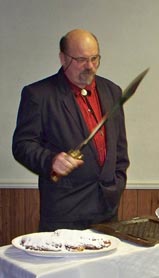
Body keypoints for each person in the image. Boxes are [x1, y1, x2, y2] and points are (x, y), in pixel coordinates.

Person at [12, 29, 130, 231]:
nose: (90, 66)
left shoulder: (112, 91)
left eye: (95, 58)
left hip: (107, 207)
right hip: (64, 211)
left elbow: (119, 148)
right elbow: (22, 145)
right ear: (63, 58)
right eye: (81, 60)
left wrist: (116, 183)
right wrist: (51, 161)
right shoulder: (39, 94)